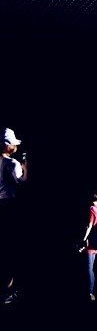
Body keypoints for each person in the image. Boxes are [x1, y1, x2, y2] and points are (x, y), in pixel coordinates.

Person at [0, 128, 28, 304]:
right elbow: (23, 182)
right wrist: (26, 168)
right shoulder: (12, 164)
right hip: (10, 207)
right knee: (12, 249)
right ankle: (9, 291)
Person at [79, 189, 97, 302]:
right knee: (91, 268)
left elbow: (89, 226)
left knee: (88, 269)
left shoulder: (92, 209)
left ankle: (89, 293)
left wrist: (83, 239)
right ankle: (91, 291)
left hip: (91, 242)